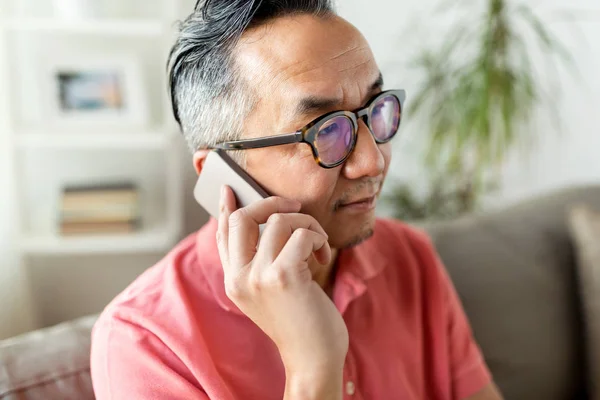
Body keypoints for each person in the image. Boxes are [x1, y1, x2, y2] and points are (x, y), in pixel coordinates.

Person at [90, 1, 504, 399]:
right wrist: (314, 369)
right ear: (222, 175)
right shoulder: (144, 343)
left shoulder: (409, 257)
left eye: (375, 109)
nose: (372, 161)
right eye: (324, 130)